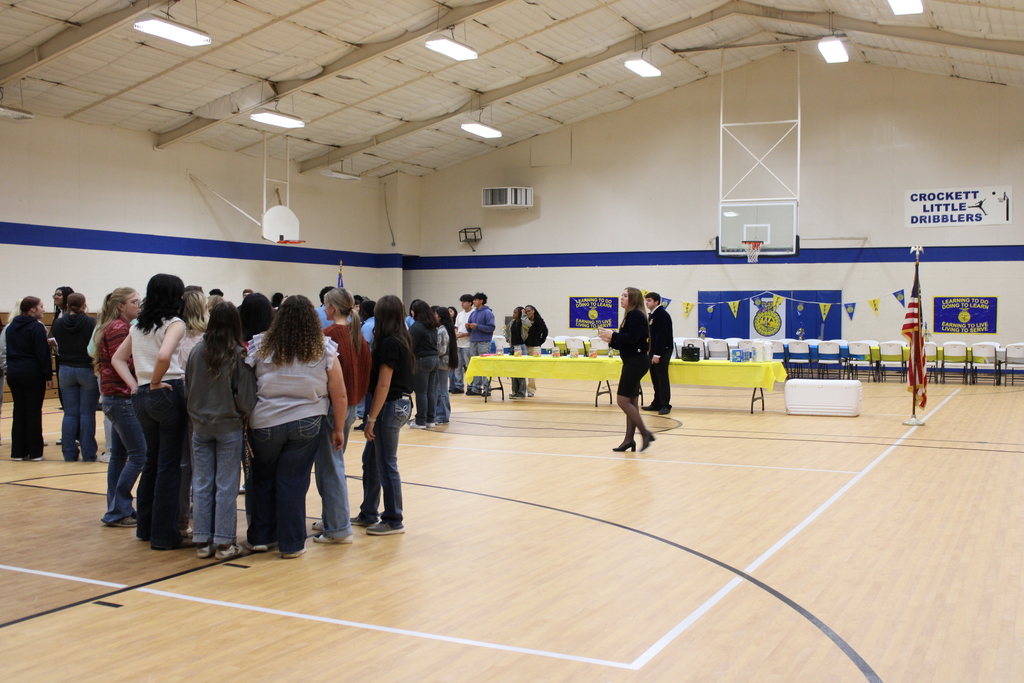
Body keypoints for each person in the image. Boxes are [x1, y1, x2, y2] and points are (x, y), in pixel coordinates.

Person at [245, 295, 347, 559]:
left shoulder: (260, 344)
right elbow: (339, 393)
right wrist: (338, 428)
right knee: (293, 481)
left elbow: (246, 384)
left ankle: (260, 538)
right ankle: (291, 544)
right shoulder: (323, 347)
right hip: (307, 420)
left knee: (262, 477)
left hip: (265, 420)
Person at [111, 273, 190, 550]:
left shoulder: (138, 326)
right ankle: (164, 535)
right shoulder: (175, 323)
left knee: (151, 462)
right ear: (175, 296)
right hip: (167, 390)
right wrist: (156, 381)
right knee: (169, 466)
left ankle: (145, 528)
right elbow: (164, 356)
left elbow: (117, 359)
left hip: (142, 395)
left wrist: (137, 385)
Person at [186, 302, 256, 560]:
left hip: (200, 426)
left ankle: (202, 541)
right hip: (229, 426)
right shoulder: (237, 353)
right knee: (226, 485)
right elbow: (246, 398)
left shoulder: (196, 351)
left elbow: (188, 387)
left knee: (201, 483)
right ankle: (225, 543)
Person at [313, 288, 370, 544]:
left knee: (330, 467)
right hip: (351, 406)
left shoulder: (328, 336)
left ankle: (338, 528)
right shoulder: (358, 336)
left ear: (333, 308)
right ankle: (331, 517)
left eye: (325, 305)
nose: (323, 309)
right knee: (331, 464)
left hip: (334, 407)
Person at [355, 295, 414, 535]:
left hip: (391, 405)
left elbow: (383, 384)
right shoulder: (400, 338)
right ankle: (368, 512)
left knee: (387, 463)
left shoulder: (390, 342)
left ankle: (393, 519)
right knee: (371, 460)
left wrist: (371, 418)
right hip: (396, 404)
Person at [94, 287, 146, 527]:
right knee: (139, 455)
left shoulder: (118, 326)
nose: (139, 305)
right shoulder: (119, 328)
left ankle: (117, 508)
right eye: (134, 302)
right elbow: (123, 361)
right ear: (120, 306)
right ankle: (118, 508)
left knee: (119, 456)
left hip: (115, 398)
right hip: (122, 398)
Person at [598, 288, 655, 453]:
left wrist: (613, 335)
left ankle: (645, 433)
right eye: (621, 295)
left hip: (636, 362)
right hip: (633, 360)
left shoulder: (636, 315)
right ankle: (629, 439)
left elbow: (632, 338)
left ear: (633, 298)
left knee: (622, 401)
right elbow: (627, 342)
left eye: (625, 295)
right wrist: (611, 340)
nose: (621, 298)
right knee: (632, 402)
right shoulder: (631, 315)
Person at [51, 293, 98, 461]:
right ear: (84, 305)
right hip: (86, 368)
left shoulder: (58, 323)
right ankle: (88, 453)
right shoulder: (91, 322)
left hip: (65, 368)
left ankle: (69, 453)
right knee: (87, 413)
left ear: (67, 306)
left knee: (70, 413)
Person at [4, 297, 52, 461]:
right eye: (41, 306)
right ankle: (35, 452)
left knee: (19, 411)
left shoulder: (11, 327)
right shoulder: (36, 327)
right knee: (33, 412)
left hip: (14, 373)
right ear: (32, 309)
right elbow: (42, 353)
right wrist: (47, 374)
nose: (43, 310)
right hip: (32, 373)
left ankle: (18, 452)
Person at [409, 300, 440, 428]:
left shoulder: (417, 326)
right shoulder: (432, 325)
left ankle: (420, 421)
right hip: (434, 359)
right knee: (430, 391)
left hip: (422, 360)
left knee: (421, 392)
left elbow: (409, 344)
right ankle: (430, 419)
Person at [643, 292, 674, 416]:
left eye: (649, 300)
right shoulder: (653, 315)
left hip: (662, 351)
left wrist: (657, 354)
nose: (646, 303)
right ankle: (657, 403)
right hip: (653, 349)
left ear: (656, 302)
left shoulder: (662, 315)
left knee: (662, 378)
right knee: (655, 378)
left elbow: (662, 336)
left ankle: (665, 404)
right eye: (646, 300)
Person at [465, 292, 495, 396]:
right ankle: (476, 388)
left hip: (484, 342)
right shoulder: (473, 313)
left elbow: (491, 327)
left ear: (481, 301)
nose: (474, 302)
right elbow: (470, 328)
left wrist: (477, 326)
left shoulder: (488, 313)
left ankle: (487, 388)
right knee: (476, 365)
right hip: (473, 341)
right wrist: (468, 327)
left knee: (485, 365)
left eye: (475, 300)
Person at [433, 306, 457, 425]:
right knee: (441, 389)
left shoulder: (442, 330)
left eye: (435, 314)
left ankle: (442, 416)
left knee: (441, 390)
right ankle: (442, 414)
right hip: (444, 363)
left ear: (440, 316)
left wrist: (431, 352)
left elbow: (441, 350)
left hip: (441, 363)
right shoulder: (446, 329)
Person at [523, 305, 548, 397]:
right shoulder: (524, 321)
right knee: (522, 368)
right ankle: (520, 389)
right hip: (524, 346)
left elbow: (545, 332)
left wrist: (539, 342)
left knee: (532, 369)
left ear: (533, 311)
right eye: (525, 312)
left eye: (529, 311)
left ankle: (531, 390)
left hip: (535, 347)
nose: (527, 313)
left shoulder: (539, 321)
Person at [451, 294, 473, 394]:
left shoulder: (473, 314)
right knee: (457, 366)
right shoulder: (459, 314)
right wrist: (456, 333)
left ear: (470, 303)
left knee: (469, 366)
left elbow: (474, 330)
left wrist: (465, 334)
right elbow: (456, 327)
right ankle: (459, 386)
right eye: (462, 302)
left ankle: (471, 386)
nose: (462, 304)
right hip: (458, 344)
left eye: (464, 302)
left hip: (468, 344)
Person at [505, 306, 527, 399]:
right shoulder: (512, 322)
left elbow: (527, 324)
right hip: (513, 347)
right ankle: (514, 391)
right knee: (513, 370)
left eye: (515, 312)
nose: (513, 314)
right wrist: (508, 338)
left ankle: (521, 392)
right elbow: (507, 331)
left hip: (521, 347)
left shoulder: (523, 322)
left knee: (520, 371)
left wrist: (524, 315)